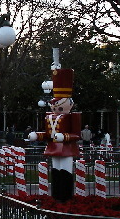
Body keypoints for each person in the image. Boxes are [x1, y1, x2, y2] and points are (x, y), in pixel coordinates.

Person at [29, 67, 81, 202]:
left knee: (65, 171)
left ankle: (65, 197)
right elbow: (48, 134)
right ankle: (56, 195)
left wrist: (65, 137)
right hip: (53, 148)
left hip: (67, 149)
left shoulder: (73, 116)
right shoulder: (49, 117)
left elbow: (77, 135)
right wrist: (37, 135)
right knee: (55, 171)